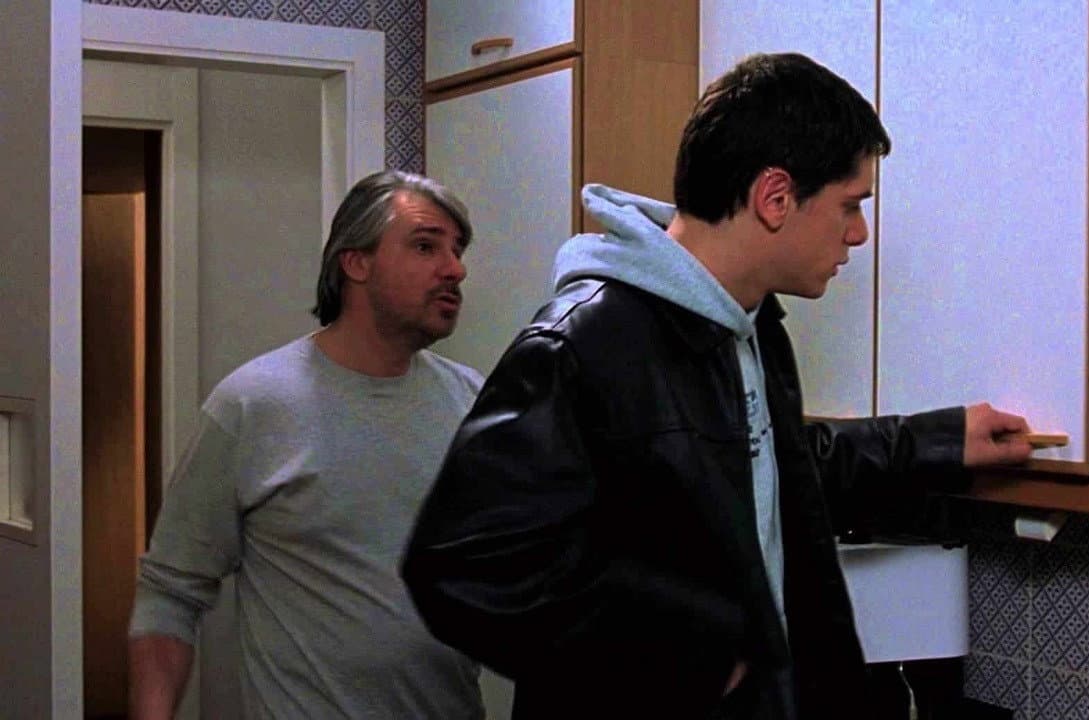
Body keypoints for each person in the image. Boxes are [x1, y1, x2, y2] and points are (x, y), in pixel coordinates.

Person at [400, 53, 1033, 720]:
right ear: (775, 197)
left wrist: (939, 439)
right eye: (850, 205)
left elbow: (773, 470)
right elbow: (460, 568)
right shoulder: (582, 343)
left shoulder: (749, 326)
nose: (859, 232)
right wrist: (676, 656)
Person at [128, 170, 486, 719]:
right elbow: (170, 592)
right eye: (425, 246)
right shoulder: (254, 405)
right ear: (356, 263)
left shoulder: (473, 402)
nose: (455, 269)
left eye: (457, 251)